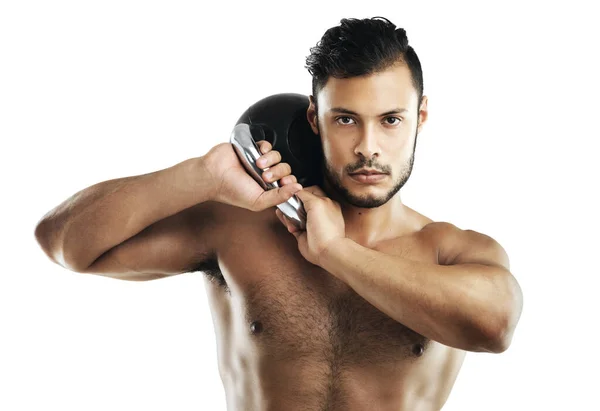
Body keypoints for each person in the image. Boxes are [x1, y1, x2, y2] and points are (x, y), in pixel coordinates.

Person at [34, 16, 523, 411]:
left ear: (419, 118)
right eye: (346, 119)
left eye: (390, 120)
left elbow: (495, 326)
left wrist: (334, 251)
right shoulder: (234, 230)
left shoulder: (449, 252)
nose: (368, 148)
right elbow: (64, 243)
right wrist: (201, 174)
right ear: (315, 119)